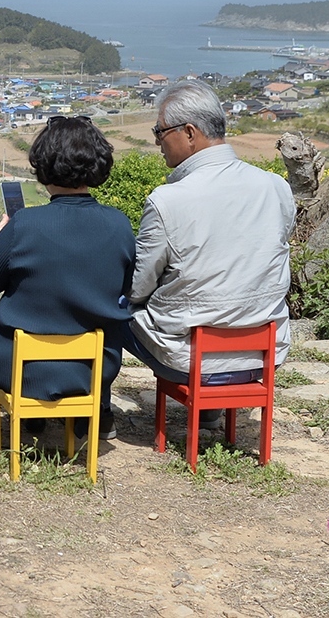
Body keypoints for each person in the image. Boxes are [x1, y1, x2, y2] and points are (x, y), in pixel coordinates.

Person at [0, 116, 133, 440]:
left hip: (23, 368)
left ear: (44, 163)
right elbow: (125, 287)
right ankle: (98, 412)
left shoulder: (24, 223)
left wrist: (1, 238)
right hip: (93, 368)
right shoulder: (120, 224)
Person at [125, 79, 296, 426]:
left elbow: (137, 288)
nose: (157, 142)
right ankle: (210, 410)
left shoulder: (167, 200)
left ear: (189, 133)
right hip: (263, 355)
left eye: (160, 132)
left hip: (189, 360)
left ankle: (93, 414)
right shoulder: (276, 187)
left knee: (108, 307)